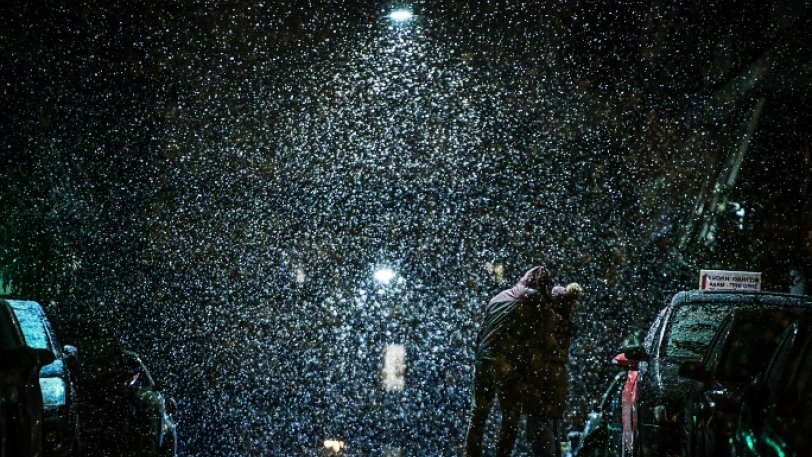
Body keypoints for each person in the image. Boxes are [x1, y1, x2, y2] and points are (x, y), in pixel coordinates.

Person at [464, 265, 553, 457]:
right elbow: (544, 334)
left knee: (478, 414)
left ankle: (470, 454)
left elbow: (482, 333)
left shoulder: (498, 297)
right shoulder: (533, 297)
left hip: (484, 359)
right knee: (510, 417)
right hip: (507, 362)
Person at [523, 282, 583, 457]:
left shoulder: (548, 322)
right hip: (557, 377)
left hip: (543, 376)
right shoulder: (564, 322)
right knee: (553, 422)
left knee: (539, 422)